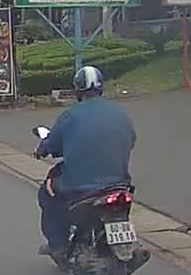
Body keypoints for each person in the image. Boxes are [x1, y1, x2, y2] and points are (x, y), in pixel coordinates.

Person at [34, 65, 138, 259]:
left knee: (47, 192)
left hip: (81, 187)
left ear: (77, 90)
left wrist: (42, 149)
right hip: (120, 183)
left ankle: (57, 244)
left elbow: (51, 144)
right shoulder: (121, 113)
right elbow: (131, 140)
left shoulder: (70, 116)